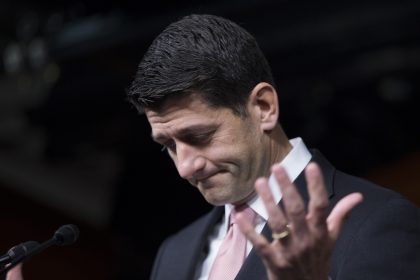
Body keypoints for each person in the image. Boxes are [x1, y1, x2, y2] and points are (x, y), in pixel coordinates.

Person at [7, 13, 419, 280]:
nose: (185, 167)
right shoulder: (174, 253)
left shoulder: (377, 223)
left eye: (199, 137)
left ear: (263, 107)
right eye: (167, 145)